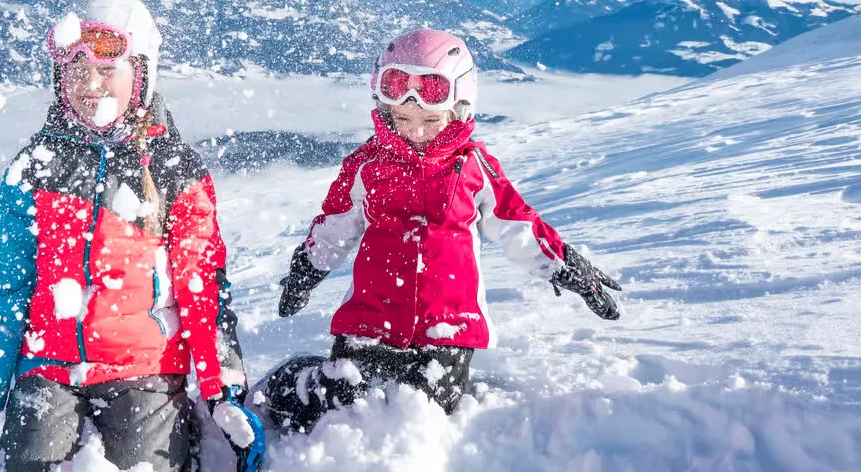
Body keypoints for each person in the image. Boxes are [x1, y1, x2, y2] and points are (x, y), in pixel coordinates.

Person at [0, 0, 265, 472]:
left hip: (143, 366)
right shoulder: (35, 167)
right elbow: (7, 292)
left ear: (141, 73)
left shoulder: (172, 169)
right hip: (47, 365)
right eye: (75, 69)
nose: (90, 84)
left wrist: (222, 392)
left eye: (106, 69)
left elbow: (202, 287)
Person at [256, 28, 622, 435]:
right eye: (402, 118)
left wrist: (565, 267)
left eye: (430, 120)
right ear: (384, 107)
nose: (414, 131)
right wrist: (307, 269)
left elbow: (518, 225)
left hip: (445, 329)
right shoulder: (366, 166)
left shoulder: (474, 168)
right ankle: (293, 381)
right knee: (342, 405)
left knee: (426, 409)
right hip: (369, 319)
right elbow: (335, 226)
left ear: (458, 109)